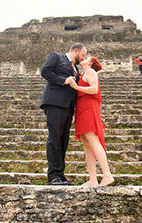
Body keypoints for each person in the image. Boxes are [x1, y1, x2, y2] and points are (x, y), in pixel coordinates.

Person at [40, 43, 87, 185]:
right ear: (75, 50)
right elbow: (45, 72)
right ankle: (53, 175)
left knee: (63, 141)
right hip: (55, 103)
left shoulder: (75, 69)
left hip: (68, 107)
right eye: (83, 55)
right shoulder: (57, 57)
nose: (83, 58)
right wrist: (63, 80)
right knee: (54, 138)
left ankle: (60, 175)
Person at [69, 56, 114, 186]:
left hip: (89, 108)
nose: (83, 58)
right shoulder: (83, 73)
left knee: (94, 141)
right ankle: (93, 179)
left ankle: (107, 175)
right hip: (82, 109)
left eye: (87, 57)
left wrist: (76, 87)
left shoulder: (91, 72)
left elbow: (94, 89)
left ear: (90, 62)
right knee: (87, 146)